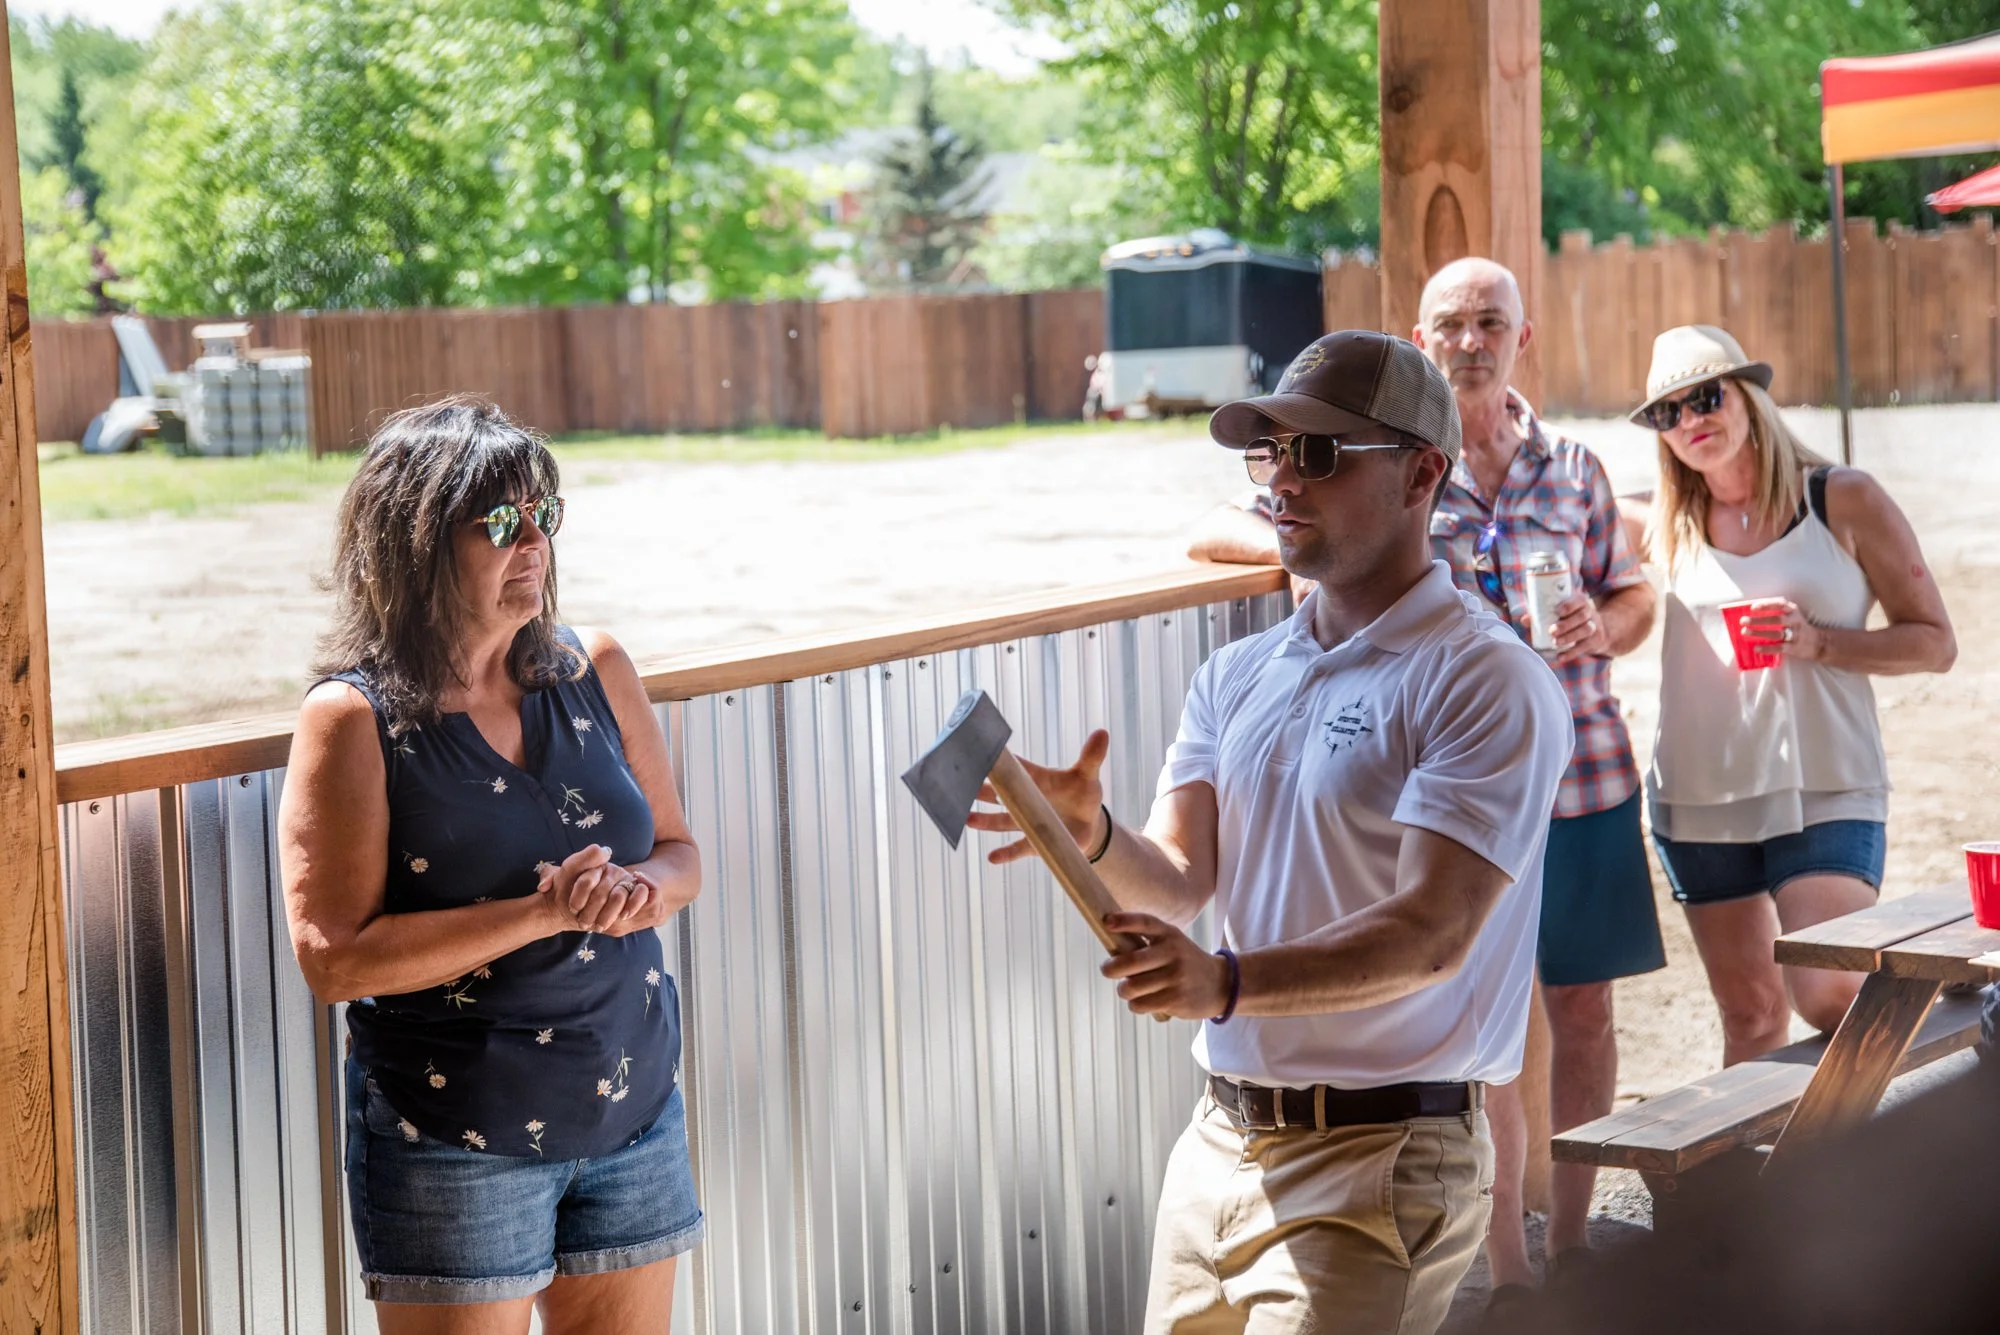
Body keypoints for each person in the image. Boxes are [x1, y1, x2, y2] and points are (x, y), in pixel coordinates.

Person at [973, 330, 1573, 1335]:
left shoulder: (1482, 677)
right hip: (1215, 1142)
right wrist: (1087, 831)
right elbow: (1171, 879)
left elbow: (1431, 933)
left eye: (1320, 454)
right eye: (1269, 454)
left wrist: (1227, 983)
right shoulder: (1237, 673)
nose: (1282, 482)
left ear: (1422, 472)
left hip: (1379, 1156)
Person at [278, 397, 704, 1333]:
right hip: (454, 1137)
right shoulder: (354, 721)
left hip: (633, 1110)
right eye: (503, 523)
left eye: (544, 515)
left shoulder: (595, 665)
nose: (535, 545)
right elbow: (333, 957)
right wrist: (544, 912)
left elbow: (680, 855)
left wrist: (636, 894)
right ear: (418, 542)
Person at [1410, 258, 1665, 1305]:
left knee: (1586, 1016)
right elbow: (1293, 539)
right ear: (1419, 338)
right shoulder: (1400, 469)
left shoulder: (1574, 468)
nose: (1469, 339)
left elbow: (1634, 592)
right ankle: (1507, 1263)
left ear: (1522, 337)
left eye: (1488, 321)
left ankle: (1568, 1239)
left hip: (1584, 779)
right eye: (1450, 323)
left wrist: (1603, 625)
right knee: (1489, 1033)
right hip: (1464, 797)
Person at [1636, 326, 1955, 1065]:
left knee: (1829, 991)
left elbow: (1935, 641)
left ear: (1748, 396)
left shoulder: (1841, 498)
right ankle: (1766, 1184)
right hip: (1699, 801)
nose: (1691, 420)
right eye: (1668, 412)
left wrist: (1822, 643)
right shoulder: (1662, 521)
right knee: (1750, 1015)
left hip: (1828, 786)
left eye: (1706, 397)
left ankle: (1963, 1037)